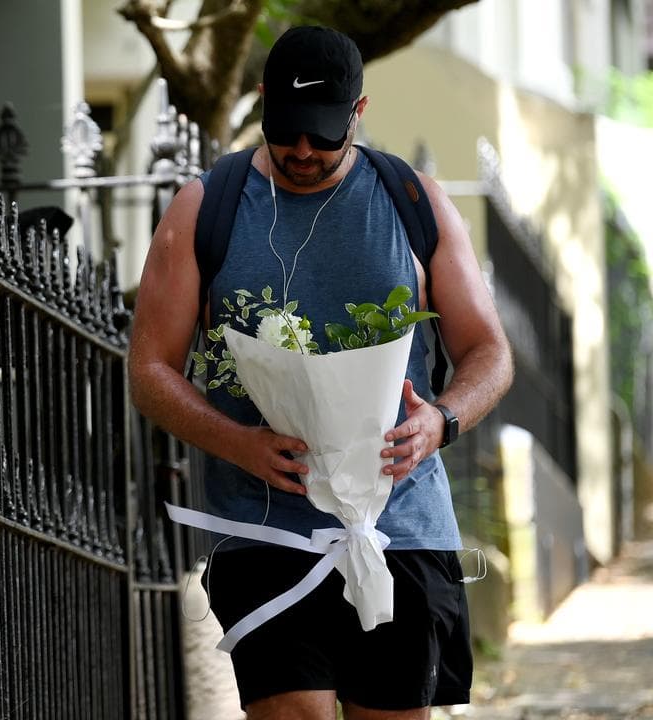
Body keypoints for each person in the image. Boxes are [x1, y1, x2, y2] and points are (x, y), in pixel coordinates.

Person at [128, 25, 513, 720]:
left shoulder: (411, 202)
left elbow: (490, 350)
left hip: (401, 519)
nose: (303, 150)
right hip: (264, 524)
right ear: (263, 101)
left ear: (358, 114)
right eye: (288, 130)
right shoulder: (204, 208)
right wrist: (235, 441)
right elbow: (150, 368)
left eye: (325, 135)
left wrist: (441, 420)